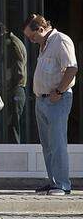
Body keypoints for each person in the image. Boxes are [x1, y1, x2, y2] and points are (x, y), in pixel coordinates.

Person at [23, 14, 77, 196]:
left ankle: (63, 184)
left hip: (57, 100)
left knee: (57, 143)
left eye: (32, 37)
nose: (31, 41)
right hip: (43, 99)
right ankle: (53, 181)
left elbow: (72, 68)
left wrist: (59, 91)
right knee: (47, 144)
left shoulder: (60, 40)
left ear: (41, 29)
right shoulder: (44, 45)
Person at [0, 21, 27, 144]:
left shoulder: (10, 43)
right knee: (12, 127)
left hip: (14, 90)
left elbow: (18, 71)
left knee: (12, 129)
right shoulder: (14, 42)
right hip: (15, 89)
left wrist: (7, 86)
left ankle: (16, 159)